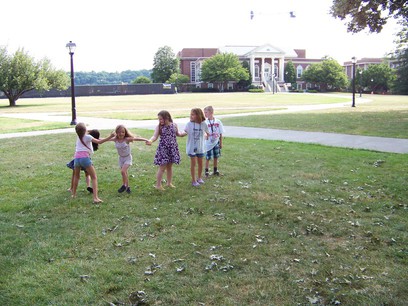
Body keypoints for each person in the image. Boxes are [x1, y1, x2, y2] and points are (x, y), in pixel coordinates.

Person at [71, 122, 115, 203]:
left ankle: (73, 194)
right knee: (94, 177)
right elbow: (99, 142)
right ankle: (95, 198)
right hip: (85, 158)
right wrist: (110, 136)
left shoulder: (78, 136)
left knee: (76, 177)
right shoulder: (88, 137)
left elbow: (80, 130)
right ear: (85, 130)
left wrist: (84, 129)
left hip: (76, 159)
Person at [146, 110, 185, 191]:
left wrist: (186, 132)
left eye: (161, 119)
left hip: (172, 148)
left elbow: (178, 134)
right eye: (159, 119)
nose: (160, 121)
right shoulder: (159, 127)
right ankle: (158, 185)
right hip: (163, 149)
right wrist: (150, 141)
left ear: (167, 118)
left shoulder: (174, 125)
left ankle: (169, 183)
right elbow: (154, 136)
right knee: (162, 168)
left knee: (169, 167)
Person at [109, 124, 148, 194]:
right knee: (124, 173)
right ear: (116, 132)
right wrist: (94, 140)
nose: (121, 134)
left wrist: (146, 140)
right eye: (119, 132)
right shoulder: (115, 139)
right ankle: (127, 187)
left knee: (123, 171)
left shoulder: (127, 139)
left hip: (127, 158)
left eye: (123, 132)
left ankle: (124, 185)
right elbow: (105, 139)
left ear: (125, 132)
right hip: (121, 158)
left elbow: (137, 139)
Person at [67, 129, 100, 194]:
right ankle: (88, 185)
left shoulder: (83, 137)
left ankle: (72, 188)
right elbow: (99, 140)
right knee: (88, 174)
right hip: (86, 159)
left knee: (75, 174)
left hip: (77, 158)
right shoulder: (90, 140)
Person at [184, 108, 209, 187]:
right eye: (190, 114)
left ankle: (199, 178)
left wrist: (207, 136)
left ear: (198, 115)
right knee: (193, 164)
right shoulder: (189, 124)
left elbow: (207, 132)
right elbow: (185, 132)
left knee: (200, 163)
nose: (191, 116)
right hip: (192, 147)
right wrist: (179, 133)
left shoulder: (204, 124)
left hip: (200, 147)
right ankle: (194, 180)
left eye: (193, 114)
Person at [204, 106, 225, 176]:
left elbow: (221, 133)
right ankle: (206, 171)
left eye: (206, 112)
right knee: (208, 157)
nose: (205, 114)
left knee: (216, 156)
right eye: (204, 112)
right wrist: (205, 136)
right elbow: (203, 132)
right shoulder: (205, 122)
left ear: (211, 112)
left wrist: (221, 143)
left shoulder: (218, 121)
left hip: (216, 142)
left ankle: (215, 170)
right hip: (208, 143)